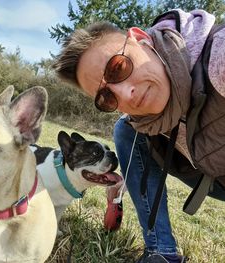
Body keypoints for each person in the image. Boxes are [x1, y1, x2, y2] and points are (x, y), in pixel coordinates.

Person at [53, 8, 225, 263]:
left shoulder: (218, 60)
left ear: (141, 38)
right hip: (214, 176)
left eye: (118, 67)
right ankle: (160, 251)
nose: (126, 94)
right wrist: (118, 184)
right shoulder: (142, 120)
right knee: (125, 129)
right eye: (107, 97)